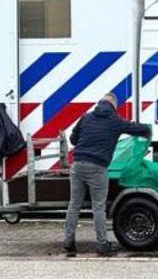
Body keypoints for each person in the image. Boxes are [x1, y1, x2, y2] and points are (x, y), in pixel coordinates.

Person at [63, 94, 152, 257]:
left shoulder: (86, 118)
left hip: (77, 165)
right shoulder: (115, 121)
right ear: (113, 106)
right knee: (98, 207)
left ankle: (68, 241)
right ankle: (102, 245)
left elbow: (73, 139)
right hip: (97, 167)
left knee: (74, 205)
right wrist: (148, 128)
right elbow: (137, 128)